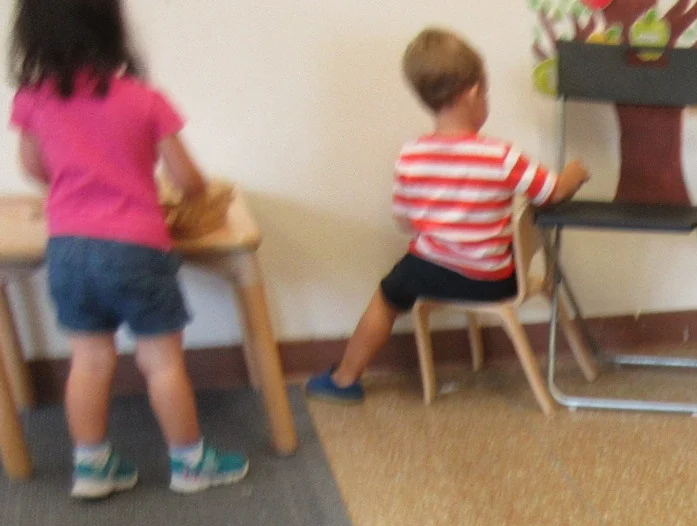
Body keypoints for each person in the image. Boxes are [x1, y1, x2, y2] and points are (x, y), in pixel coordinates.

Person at [9, 0, 247, 498]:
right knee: (161, 361)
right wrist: (193, 190)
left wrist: (77, 179)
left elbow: (34, 166)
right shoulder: (143, 100)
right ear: (112, 30)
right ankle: (190, 462)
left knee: (89, 359)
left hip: (69, 249)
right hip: (136, 247)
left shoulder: (34, 100)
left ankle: (92, 466)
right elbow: (187, 179)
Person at [306, 29, 588, 404]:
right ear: (472, 93)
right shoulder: (501, 156)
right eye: (485, 93)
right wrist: (574, 174)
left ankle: (344, 378)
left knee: (387, 296)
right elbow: (551, 192)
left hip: (433, 273)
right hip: (496, 280)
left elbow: (406, 221)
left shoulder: (411, 156)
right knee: (424, 263)